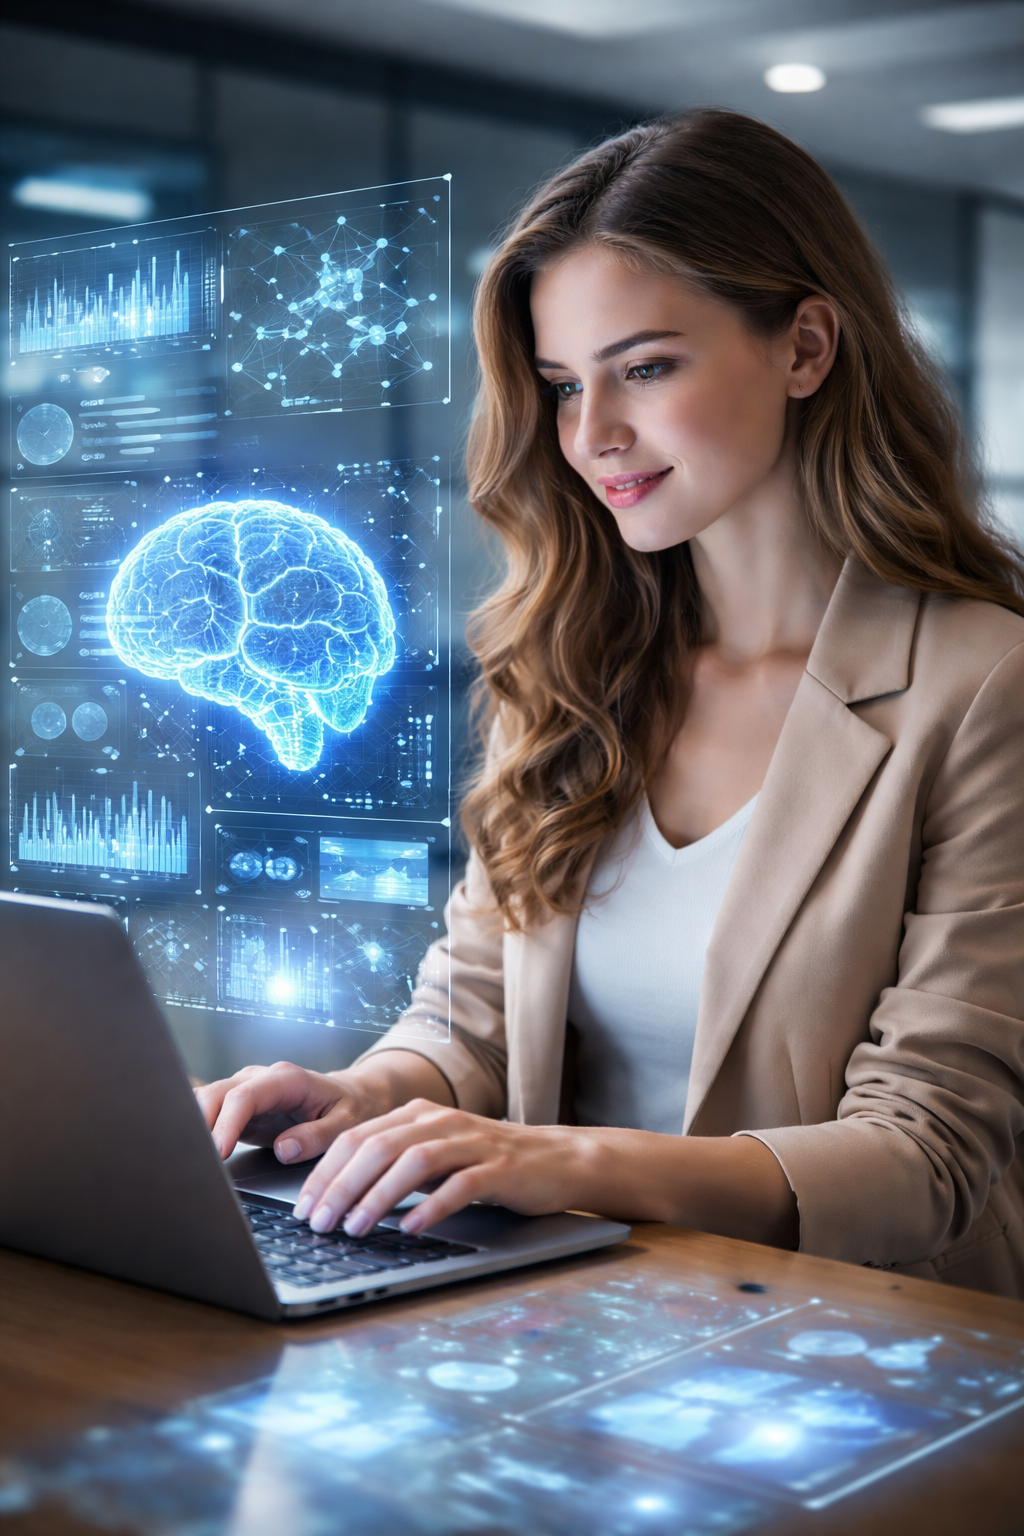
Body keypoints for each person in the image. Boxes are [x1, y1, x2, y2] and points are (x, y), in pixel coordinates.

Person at [198, 111, 1024, 1296]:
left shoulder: (981, 683)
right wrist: (360, 1098)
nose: (592, 437)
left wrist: (564, 1162)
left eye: (645, 368)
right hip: (569, 1330)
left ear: (804, 348)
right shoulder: (568, 661)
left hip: (857, 1357)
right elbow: (472, 1023)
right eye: (560, 384)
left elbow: (925, 1157)